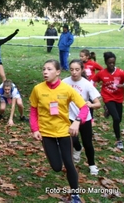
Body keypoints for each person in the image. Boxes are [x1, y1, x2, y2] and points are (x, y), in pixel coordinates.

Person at [29, 59, 89, 203]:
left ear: (57, 72)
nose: (45, 72)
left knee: (69, 163)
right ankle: (57, 152)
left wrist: (77, 121)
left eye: (49, 69)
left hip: (63, 132)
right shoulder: (38, 89)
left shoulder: (67, 89)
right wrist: (35, 129)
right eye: (44, 69)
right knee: (56, 167)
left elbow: (84, 108)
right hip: (46, 133)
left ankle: (75, 195)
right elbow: (33, 111)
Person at [63, 59, 101, 175]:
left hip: (84, 117)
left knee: (88, 143)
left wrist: (91, 104)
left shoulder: (87, 84)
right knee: (72, 139)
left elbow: (98, 103)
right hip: (69, 116)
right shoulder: (64, 82)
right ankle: (77, 148)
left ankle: (92, 165)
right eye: (72, 69)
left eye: (77, 70)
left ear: (82, 70)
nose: (74, 72)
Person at [92, 52, 124, 150]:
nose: (111, 65)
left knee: (119, 119)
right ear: (105, 62)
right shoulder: (102, 73)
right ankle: (119, 140)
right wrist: (92, 91)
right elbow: (92, 81)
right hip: (107, 97)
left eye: (113, 63)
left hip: (119, 98)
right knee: (116, 119)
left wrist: (123, 85)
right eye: (109, 63)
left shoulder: (120, 72)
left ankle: (108, 110)